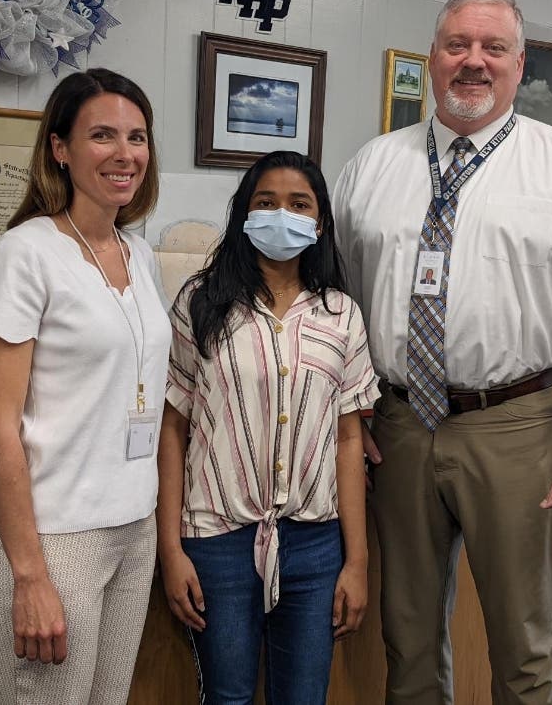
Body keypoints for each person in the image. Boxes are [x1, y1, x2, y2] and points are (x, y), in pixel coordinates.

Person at [333, 0, 552, 705]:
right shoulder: (371, 168)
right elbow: (341, 298)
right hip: (399, 424)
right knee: (405, 639)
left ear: (518, 62)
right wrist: (353, 414)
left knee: (523, 647)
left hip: (518, 425)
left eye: (492, 48)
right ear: (433, 57)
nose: (473, 61)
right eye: (456, 45)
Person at [0, 68, 170, 705]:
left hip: (132, 524)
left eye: (137, 138)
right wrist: (28, 573)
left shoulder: (138, 253)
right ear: (60, 148)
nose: (125, 154)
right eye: (103, 135)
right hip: (54, 537)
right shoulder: (25, 254)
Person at [157, 150, 379, 705]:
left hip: (314, 543)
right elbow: (172, 430)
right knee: (227, 695)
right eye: (266, 202)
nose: (282, 214)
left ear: (319, 220)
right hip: (217, 540)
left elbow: (349, 440)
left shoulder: (341, 315)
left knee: (303, 696)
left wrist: (356, 561)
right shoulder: (200, 304)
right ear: (244, 214)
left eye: (298, 204)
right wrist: (171, 550)